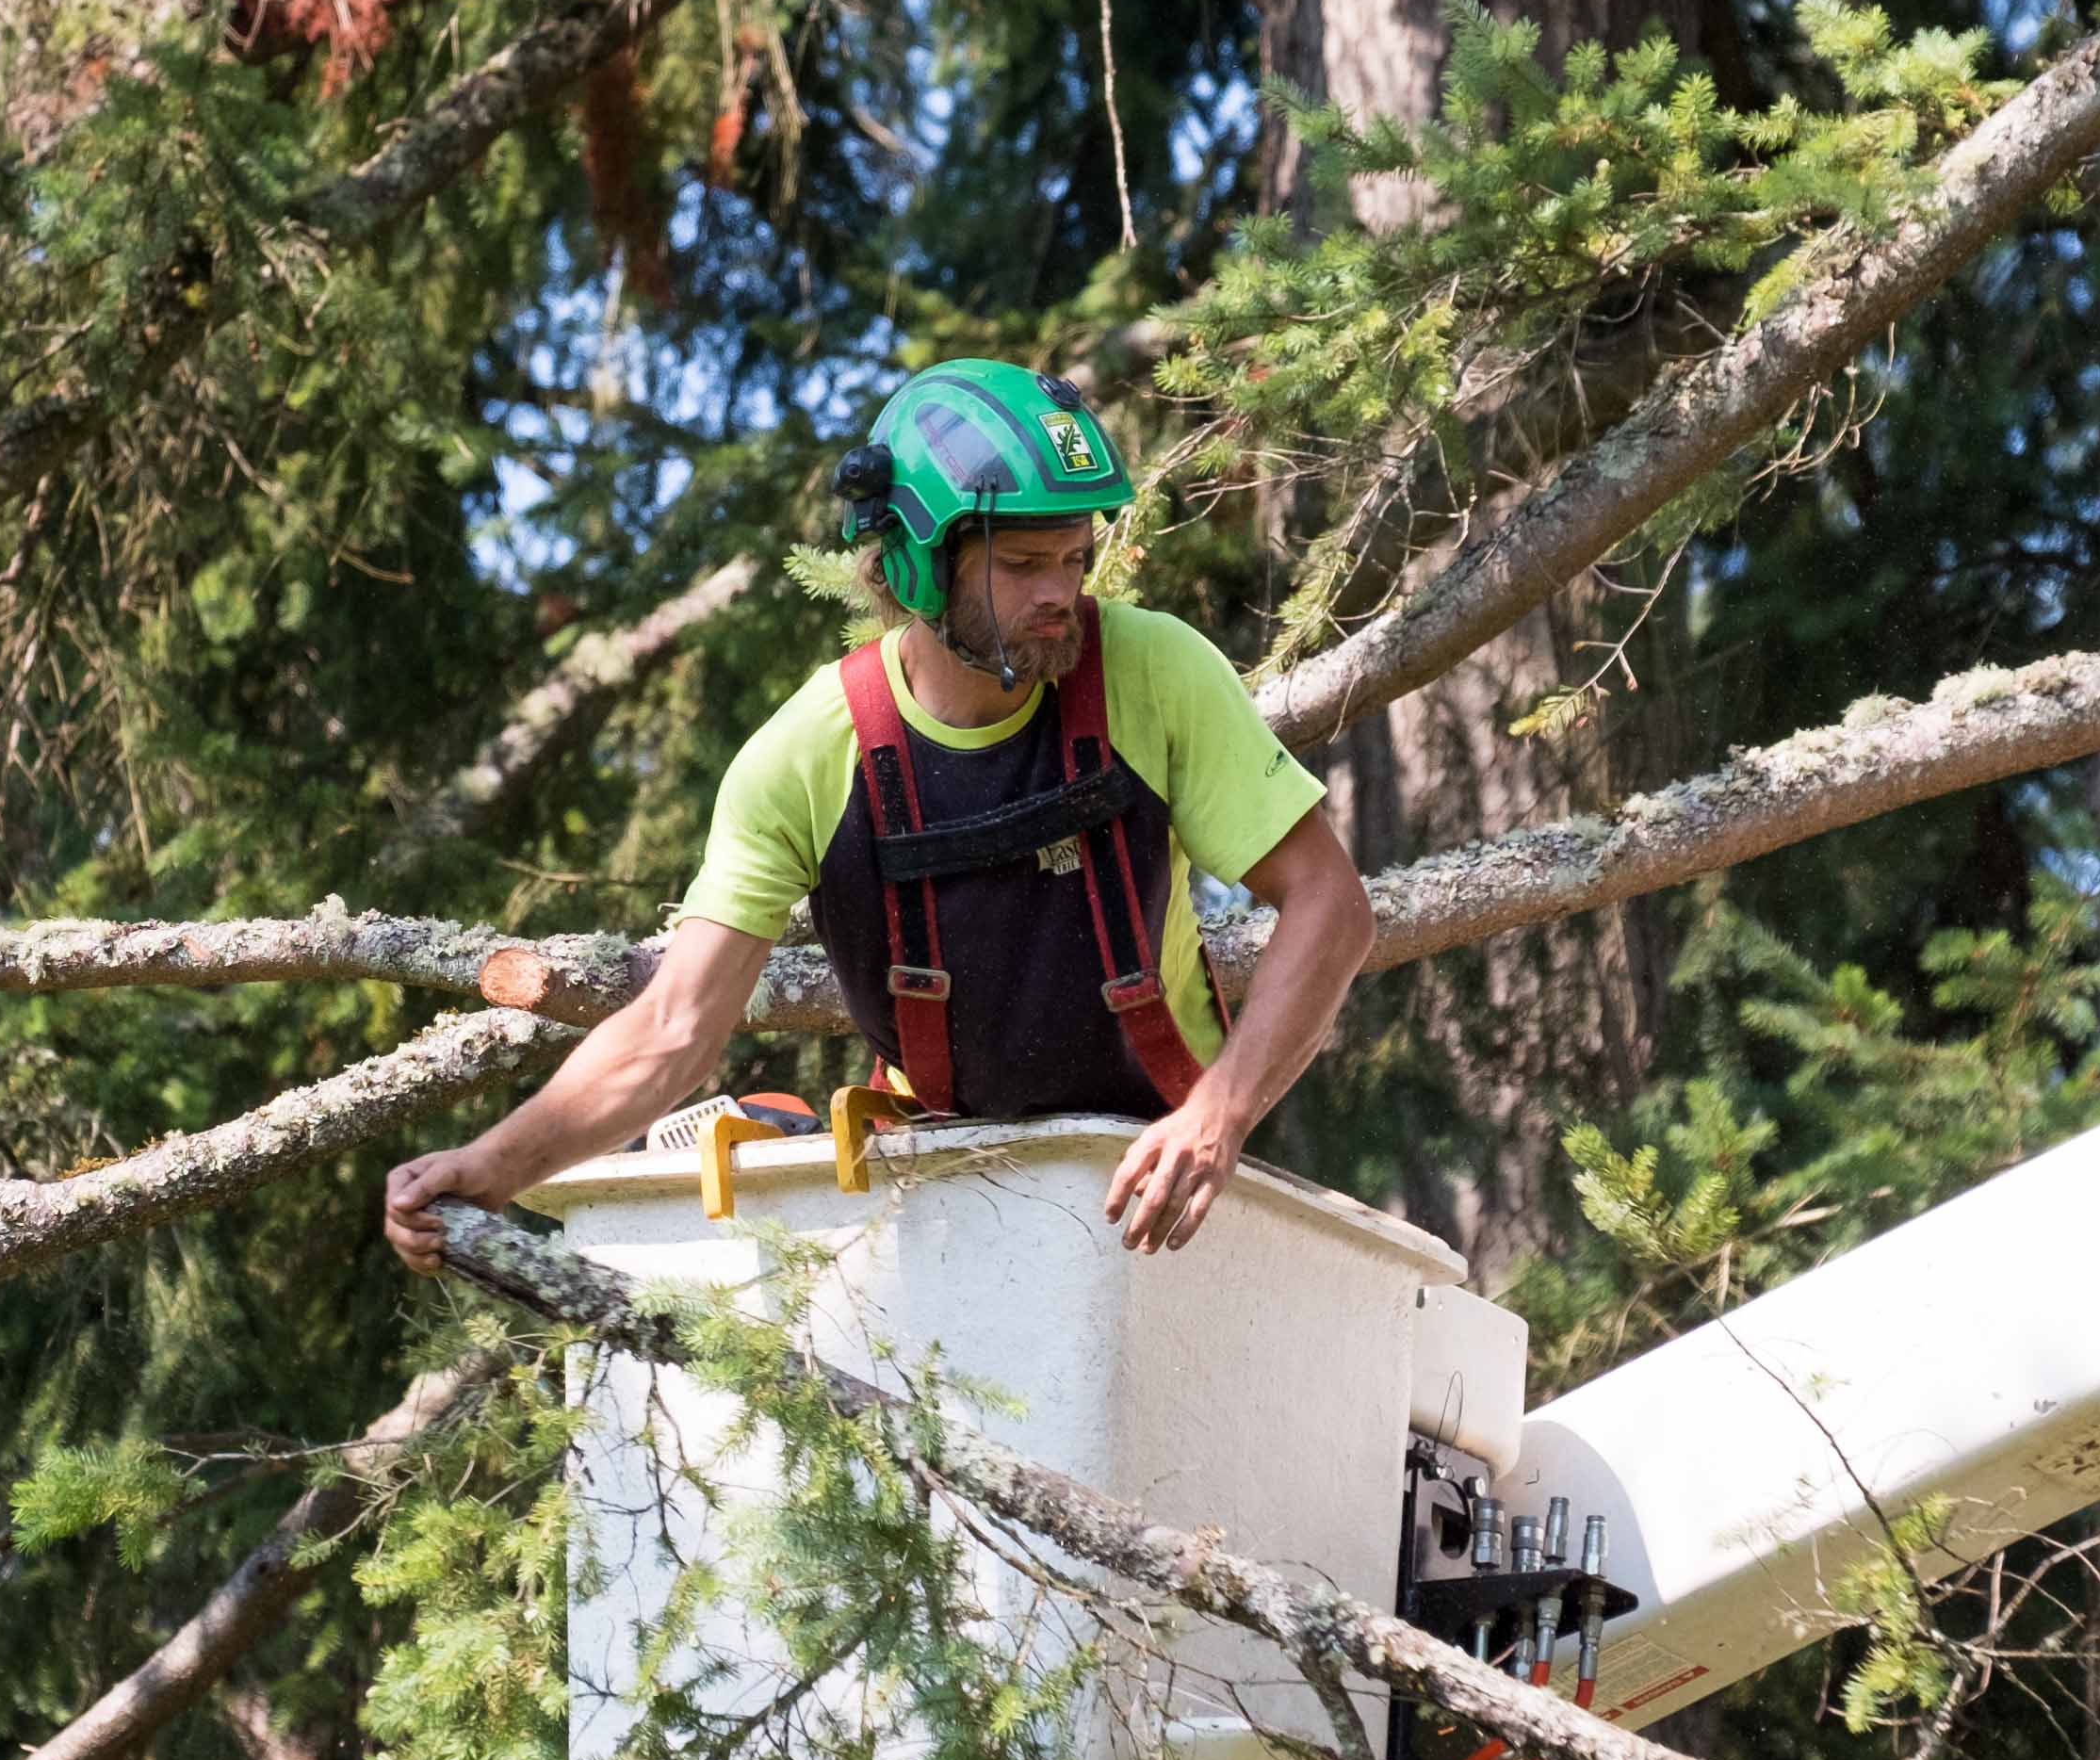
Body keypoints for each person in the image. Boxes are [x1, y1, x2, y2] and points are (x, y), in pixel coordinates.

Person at [383, 358, 1376, 1264]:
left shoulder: (1153, 671)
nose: (1061, 594)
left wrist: (1220, 1116)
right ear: (913, 563)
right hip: (948, 1191)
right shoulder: (809, 756)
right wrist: (496, 1164)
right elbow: (673, 1030)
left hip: (1166, 1180)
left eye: (1074, 559)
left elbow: (1330, 905)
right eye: (1024, 564)